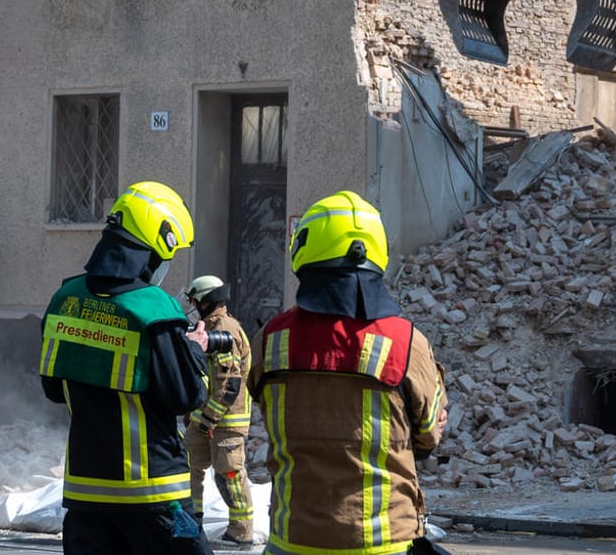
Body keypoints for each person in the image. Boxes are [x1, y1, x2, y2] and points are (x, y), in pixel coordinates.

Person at [247, 191, 449, 555]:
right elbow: (428, 435)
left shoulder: (271, 339)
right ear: (377, 253)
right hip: (381, 543)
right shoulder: (405, 342)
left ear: (303, 251)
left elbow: (261, 405)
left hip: (292, 539)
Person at [39, 181, 218, 555]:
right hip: (154, 495)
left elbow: (53, 389)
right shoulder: (153, 308)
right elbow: (187, 396)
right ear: (155, 247)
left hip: (85, 496)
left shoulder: (65, 299)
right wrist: (195, 350)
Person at [180, 275, 254, 547]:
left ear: (206, 301)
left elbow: (229, 383)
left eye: (195, 301)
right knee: (189, 468)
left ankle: (241, 530)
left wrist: (209, 418)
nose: (192, 306)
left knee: (230, 474)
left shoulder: (226, 330)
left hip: (225, 420)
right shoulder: (207, 327)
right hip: (204, 418)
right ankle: (191, 522)